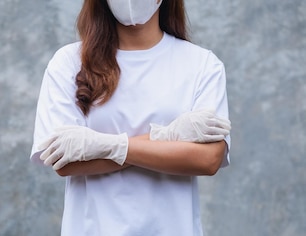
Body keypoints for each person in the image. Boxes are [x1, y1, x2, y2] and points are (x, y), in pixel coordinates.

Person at [30, 0, 232, 235]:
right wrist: (169, 137)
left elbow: (207, 160)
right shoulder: (68, 62)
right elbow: (64, 161)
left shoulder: (201, 65)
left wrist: (102, 146)